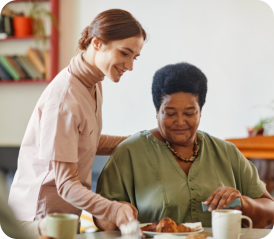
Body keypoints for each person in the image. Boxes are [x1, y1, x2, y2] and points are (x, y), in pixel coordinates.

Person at [8, 9, 145, 237]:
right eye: (124, 53)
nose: (130, 65)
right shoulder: (64, 99)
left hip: (65, 220)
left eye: (135, 57)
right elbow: (66, 184)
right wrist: (113, 209)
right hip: (39, 221)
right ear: (97, 43)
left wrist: (143, 141)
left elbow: (85, 141)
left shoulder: (93, 83)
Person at [95, 62, 274, 230]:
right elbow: (102, 220)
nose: (180, 122)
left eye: (189, 113)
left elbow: (269, 209)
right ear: (156, 112)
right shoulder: (129, 152)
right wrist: (117, 211)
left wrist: (243, 203)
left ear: (200, 112)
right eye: (170, 113)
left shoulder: (227, 153)